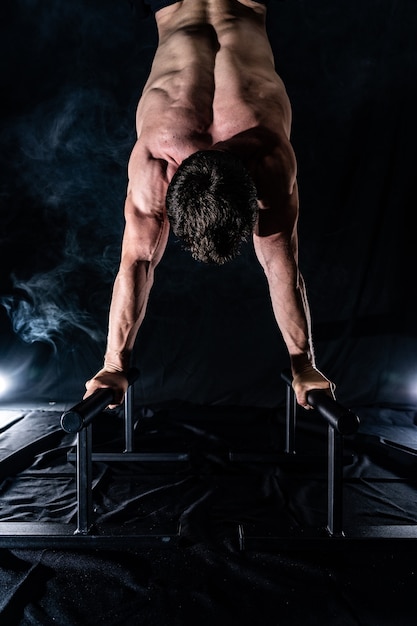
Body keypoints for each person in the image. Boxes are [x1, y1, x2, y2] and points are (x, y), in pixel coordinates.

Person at [84, 0, 334, 409]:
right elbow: (279, 267)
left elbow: (139, 262)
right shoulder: (268, 159)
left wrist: (116, 364)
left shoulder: (159, 159)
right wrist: (302, 365)